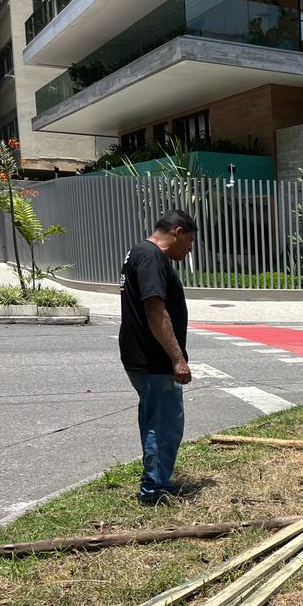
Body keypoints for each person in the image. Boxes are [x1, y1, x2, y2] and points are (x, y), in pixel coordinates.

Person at [119, 209, 198, 506]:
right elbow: (155, 310)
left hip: (144, 356)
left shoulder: (140, 253)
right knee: (163, 424)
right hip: (153, 359)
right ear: (178, 232)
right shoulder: (151, 257)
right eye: (190, 241)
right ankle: (153, 490)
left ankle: (159, 481)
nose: (189, 249)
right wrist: (177, 359)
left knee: (158, 420)